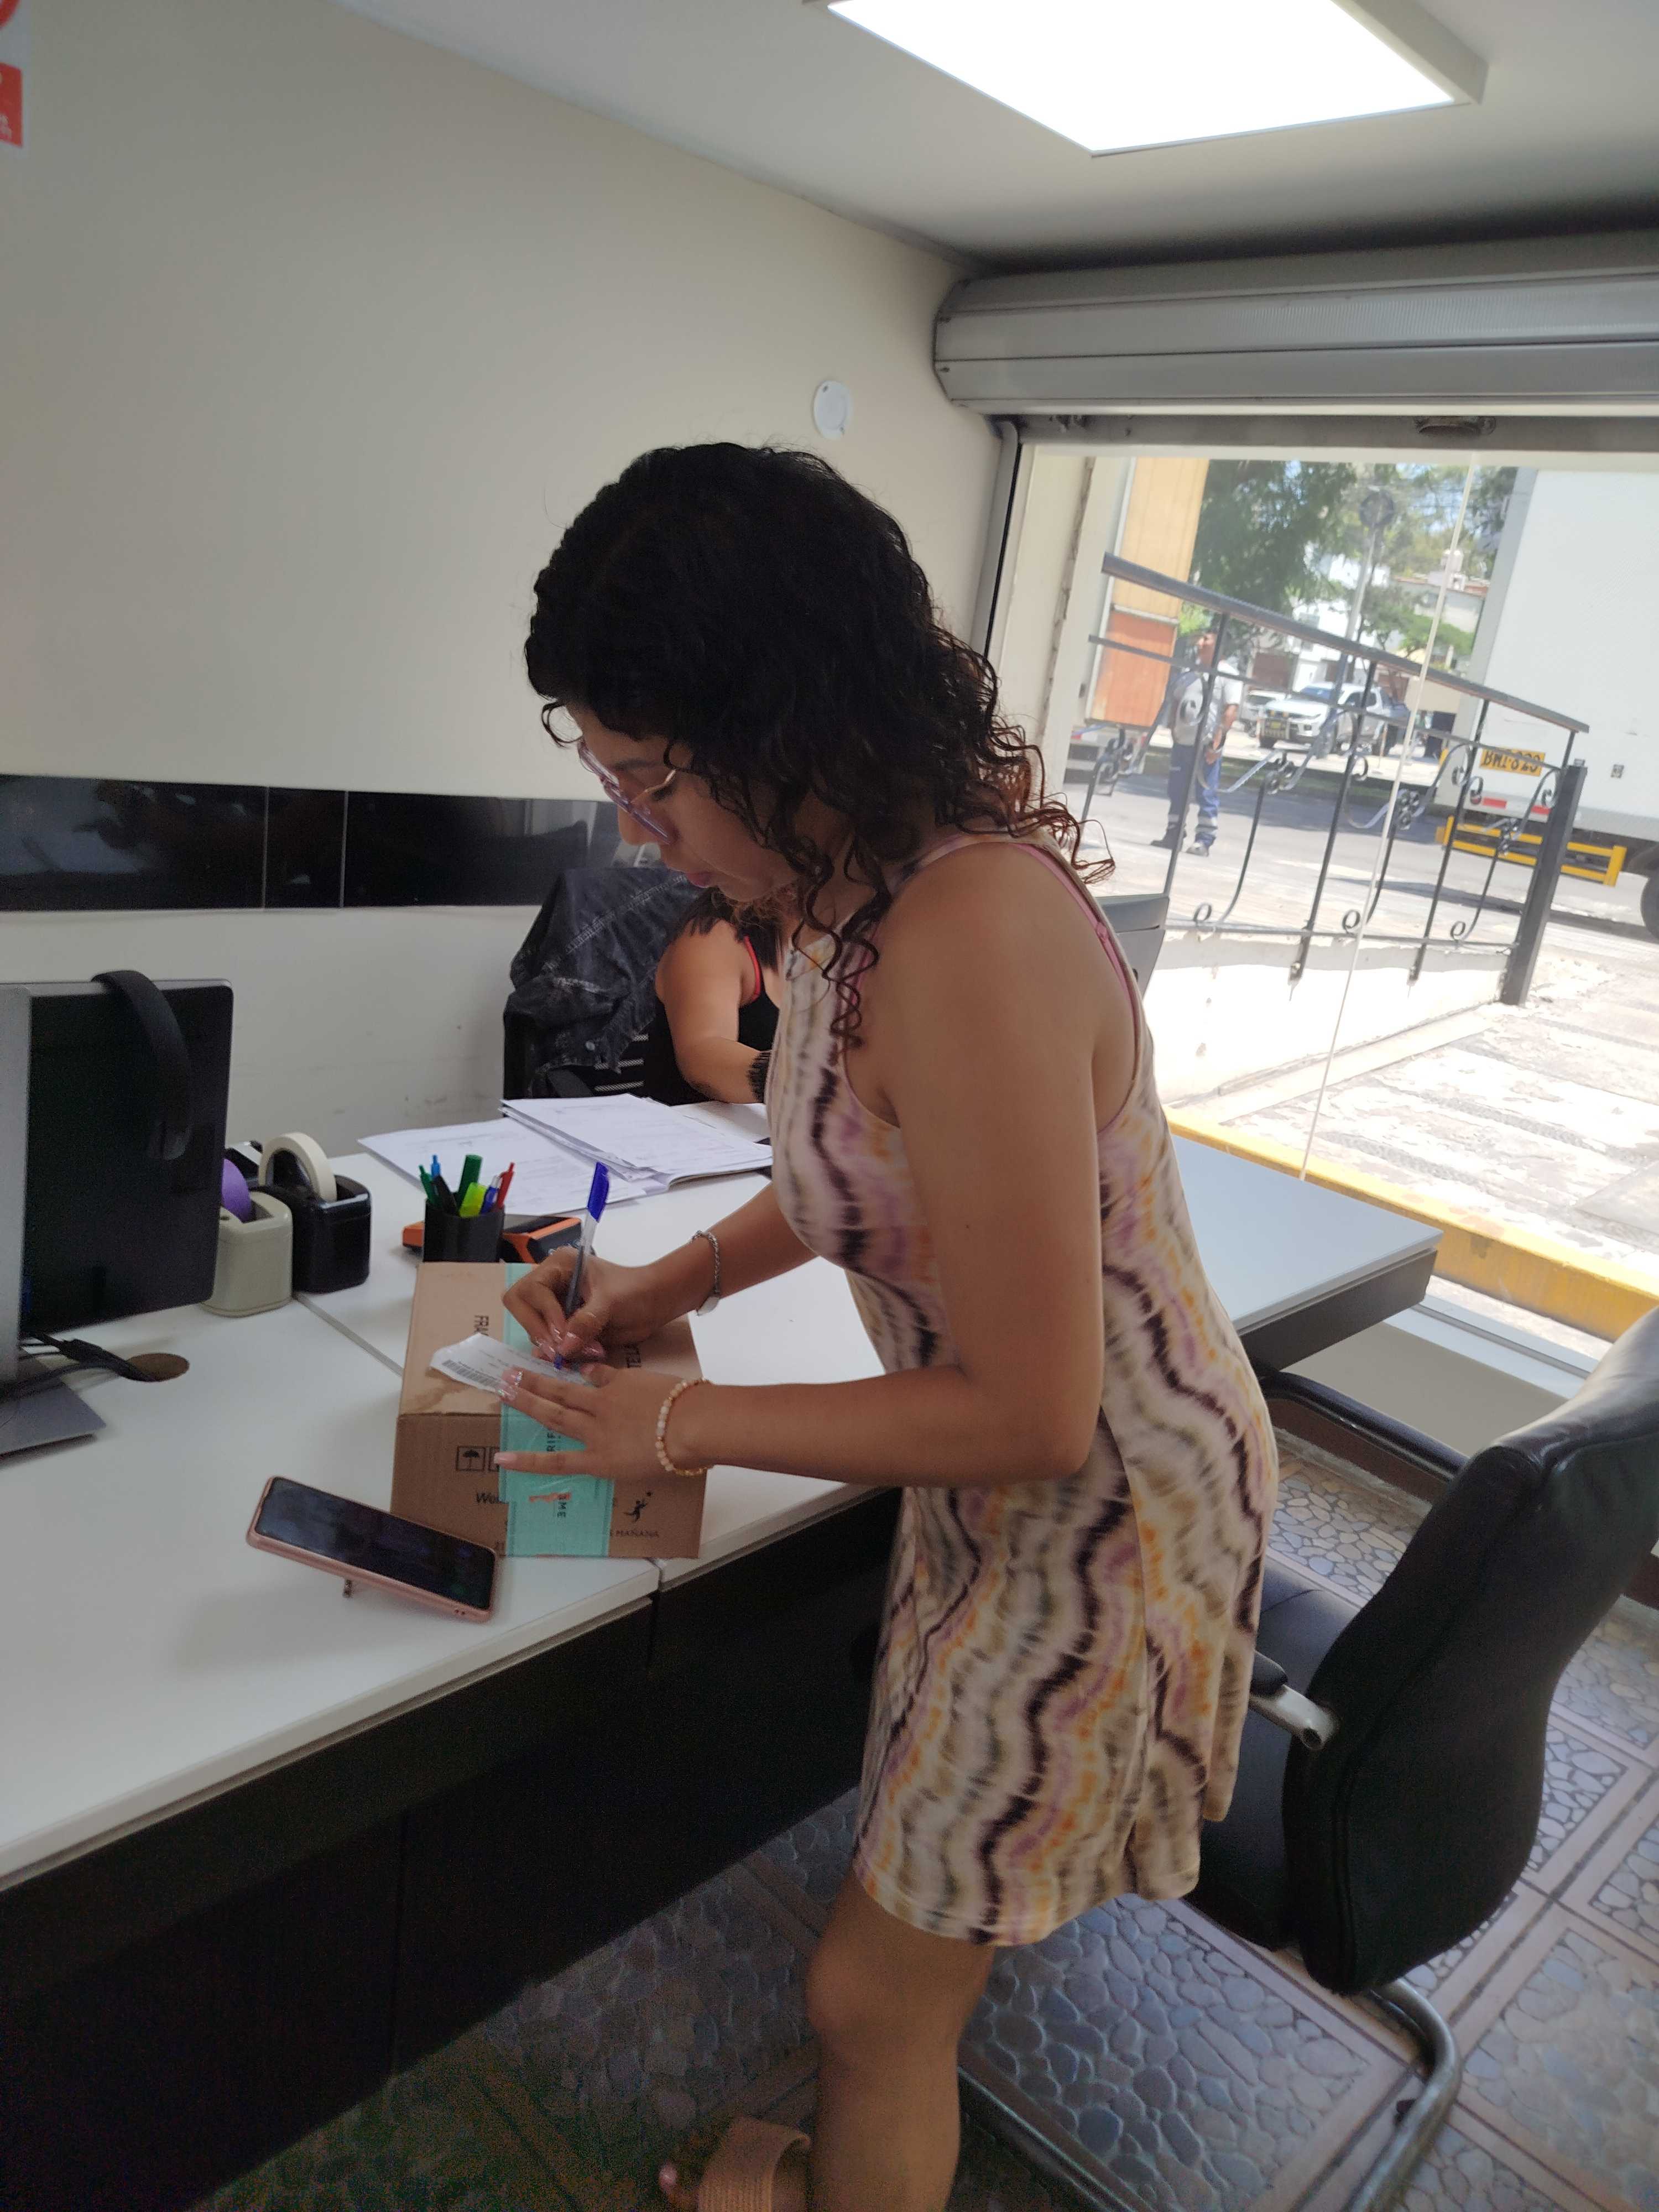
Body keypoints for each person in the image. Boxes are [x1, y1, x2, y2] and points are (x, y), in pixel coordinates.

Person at [507, 445, 1277, 2212]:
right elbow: (860, 1166)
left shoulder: (969, 932)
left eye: (648, 778)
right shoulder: (849, 897)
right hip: (1001, 1487)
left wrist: (678, 1424)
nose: (632, 827)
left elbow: (1033, 1408)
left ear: (784, 724)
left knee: (871, 1999)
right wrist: (668, 1288)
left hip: (1104, 1516)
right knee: (907, 1928)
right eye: (606, 774)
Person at [638, 884, 782, 1106]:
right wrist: (805, 1080)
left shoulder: (824, 947)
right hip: (692, 1123)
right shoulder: (715, 937)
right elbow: (703, 1056)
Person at [1151, 624, 1241, 856]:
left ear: (1219, 645)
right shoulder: (1190, 672)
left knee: (1205, 793)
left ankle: (1204, 840)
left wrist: (1217, 743)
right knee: (1177, 790)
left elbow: (1230, 711)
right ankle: (1173, 835)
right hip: (1183, 744)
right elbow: (1176, 699)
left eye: (1206, 640)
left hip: (1206, 747)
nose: (1200, 644)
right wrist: (1173, 727)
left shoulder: (1227, 675)